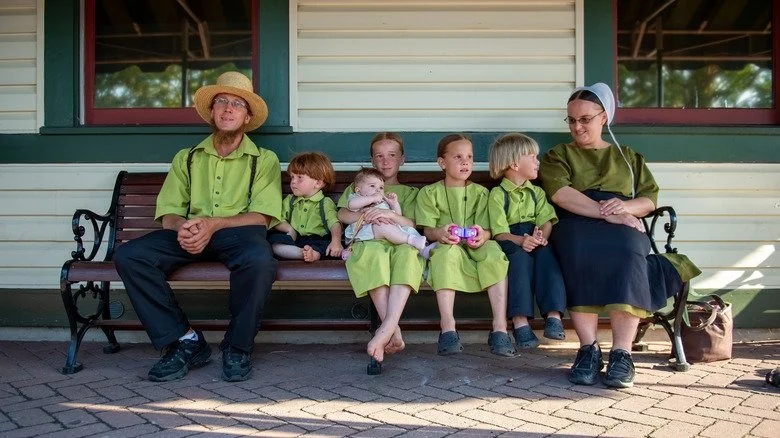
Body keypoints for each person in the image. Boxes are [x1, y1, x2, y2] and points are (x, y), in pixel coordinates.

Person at [113, 71, 282, 383]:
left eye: (236, 104)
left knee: (260, 261)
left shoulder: (264, 159)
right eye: (221, 102)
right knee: (130, 256)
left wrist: (213, 224)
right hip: (191, 233)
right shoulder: (187, 157)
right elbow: (169, 213)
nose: (228, 109)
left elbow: (263, 214)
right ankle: (185, 340)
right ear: (212, 111)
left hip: (238, 232)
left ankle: (237, 346)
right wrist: (184, 228)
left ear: (246, 117)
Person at [539, 83, 700, 388]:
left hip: (624, 225)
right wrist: (610, 212)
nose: (577, 127)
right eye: (571, 120)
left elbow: (649, 199)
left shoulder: (627, 156)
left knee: (629, 252)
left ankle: (621, 353)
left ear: (603, 118)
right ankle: (588, 350)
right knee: (575, 248)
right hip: (578, 219)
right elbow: (561, 194)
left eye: (585, 119)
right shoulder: (558, 155)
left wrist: (626, 207)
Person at [415, 133, 516, 358]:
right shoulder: (430, 193)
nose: (465, 162)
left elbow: (489, 229)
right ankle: (448, 327)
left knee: (494, 253)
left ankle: (500, 327)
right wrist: (439, 233)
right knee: (444, 254)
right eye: (458, 157)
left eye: (469, 157)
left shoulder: (481, 193)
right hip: (447, 245)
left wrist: (483, 234)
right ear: (442, 162)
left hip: (475, 246)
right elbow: (427, 230)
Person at [337, 132, 424, 373]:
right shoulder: (361, 187)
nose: (385, 161)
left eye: (392, 155)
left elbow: (412, 223)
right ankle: (391, 329)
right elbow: (343, 214)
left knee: (408, 254)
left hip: (397, 244)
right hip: (369, 242)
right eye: (379, 156)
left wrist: (391, 215)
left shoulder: (407, 192)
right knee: (373, 255)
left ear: (402, 159)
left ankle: (384, 331)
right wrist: (365, 216)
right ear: (372, 160)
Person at [487, 133, 567, 350]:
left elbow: (547, 220)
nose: (537, 161)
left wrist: (541, 237)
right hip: (511, 240)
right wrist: (521, 240)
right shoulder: (497, 194)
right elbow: (499, 232)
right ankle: (520, 321)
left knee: (547, 257)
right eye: (532, 157)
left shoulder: (537, 193)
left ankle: (553, 316)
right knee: (519, 262)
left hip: (535, 236)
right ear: (514, 163)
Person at [268, 152, 342, 261]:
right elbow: (277, 218)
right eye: (292, 177)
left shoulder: (325, 202)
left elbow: (334, 223)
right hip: (294, 238)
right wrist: (290, 229)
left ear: (317, 183)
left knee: (324, 247)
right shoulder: (290, 200)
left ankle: (313, 254)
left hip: (317, 239)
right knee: (273, 242)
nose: (293, 182)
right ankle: (301, 253)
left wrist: (336, 241)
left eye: (299, 177)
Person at [343, 168, 428, 256]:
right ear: (358, 190)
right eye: (372, 186)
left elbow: (398, 216)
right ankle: (410, 240)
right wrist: (371, 199)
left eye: (381, 187)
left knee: (407, 229)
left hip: (388, 229)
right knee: (383, 226)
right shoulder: (356, 198)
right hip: (367, 230)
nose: (378, 190)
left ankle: (423, 248)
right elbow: (352, 205)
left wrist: (394, 204)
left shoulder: (383, 202)